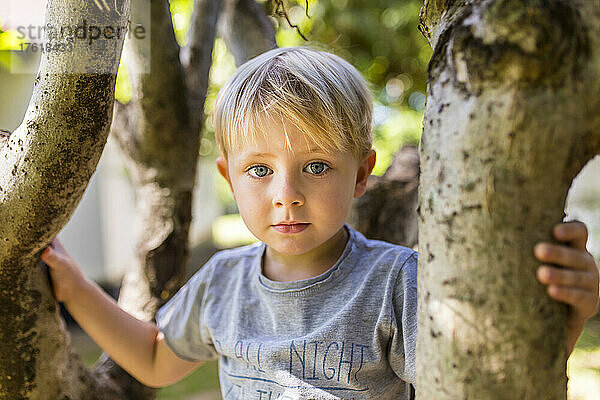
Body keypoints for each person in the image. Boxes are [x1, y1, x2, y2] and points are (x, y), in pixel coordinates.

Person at [41, 47, 599, 399]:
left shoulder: (396, 283)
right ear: (229, 179)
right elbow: (158, 357)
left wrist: (562, 321)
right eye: (259, 170)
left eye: (315, 166)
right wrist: (74, 286)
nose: (287, 196)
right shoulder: (222, 282)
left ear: (360, 176)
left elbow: (477, 385)